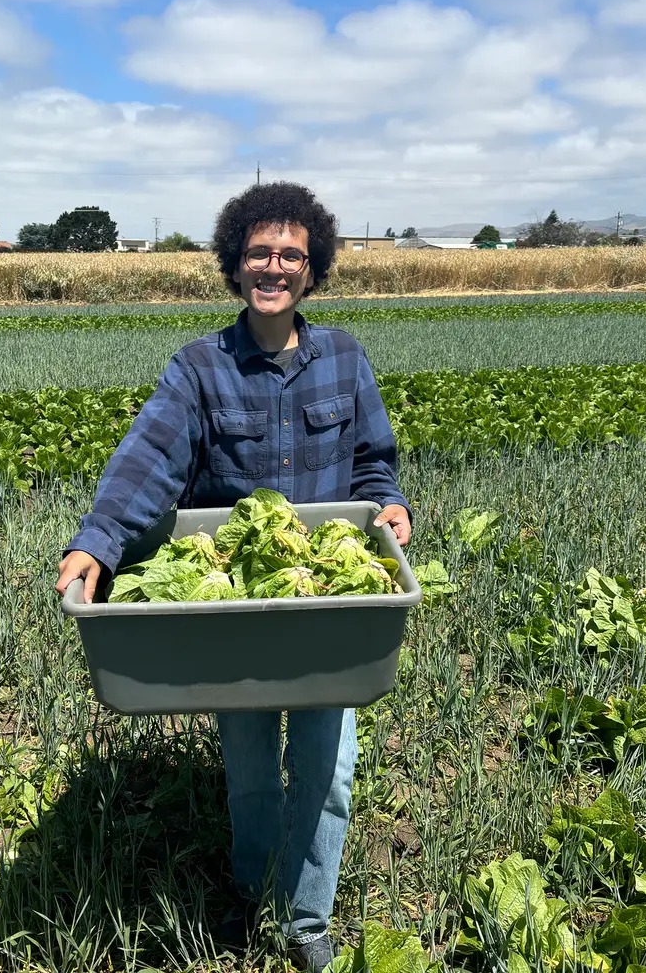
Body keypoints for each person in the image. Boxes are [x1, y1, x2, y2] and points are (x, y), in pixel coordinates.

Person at [55, 181, 412, 972]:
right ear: (235, 264)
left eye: (290, 254)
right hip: (239, 609)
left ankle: (307, 916)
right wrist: (100, 540)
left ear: (311, 268)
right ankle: (255, 888)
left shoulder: (347, 359)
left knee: (330, 768)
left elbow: (374, 464)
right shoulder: (199, 371)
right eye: (259, 253)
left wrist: (389, 509)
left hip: (330, 600)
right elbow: (148, 459)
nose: (274, 266)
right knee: (250, 766)